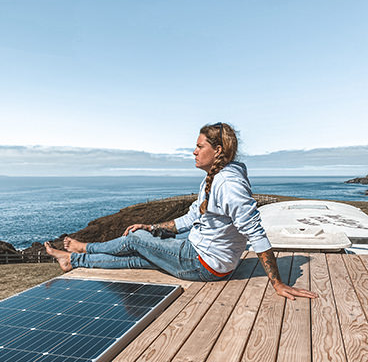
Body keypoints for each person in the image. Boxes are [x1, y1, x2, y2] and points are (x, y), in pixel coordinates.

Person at [45, 123, 318, 301]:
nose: (194, 152)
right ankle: (74, 261)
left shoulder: (229, 184)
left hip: (203, 263)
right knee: (137, 257)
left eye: (200, 147)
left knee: (135, 241)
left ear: (217, 150)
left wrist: (278, 284)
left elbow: (256, 233)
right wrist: (153, 227)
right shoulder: (215, 177)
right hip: (201, 255)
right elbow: (190, 219)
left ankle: (84, 248)